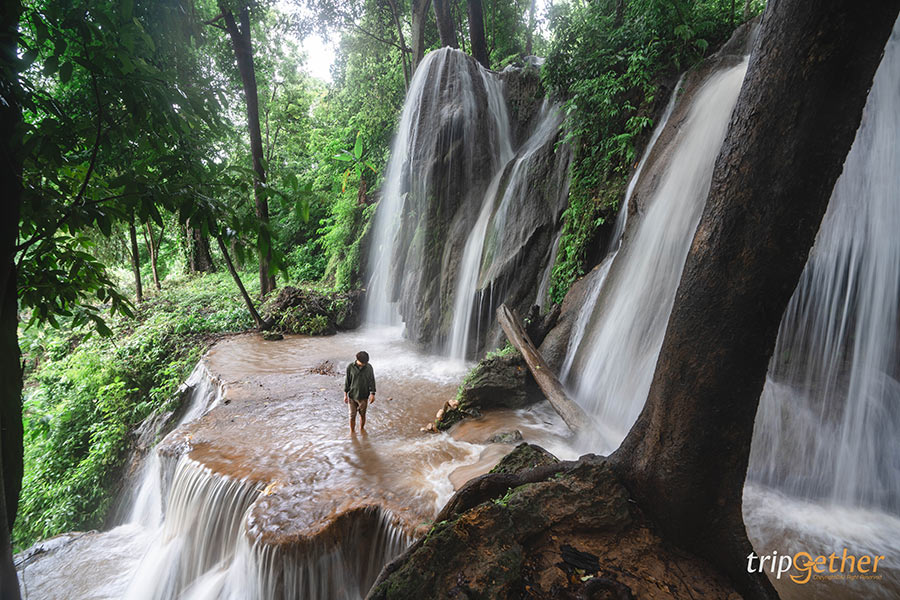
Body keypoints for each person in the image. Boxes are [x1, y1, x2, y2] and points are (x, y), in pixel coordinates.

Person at [344, 350, 376, 434]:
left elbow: (372, 380)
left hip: (364, 396)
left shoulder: (369, 367)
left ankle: (362, 430)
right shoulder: (350, 367)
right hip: (352, 396)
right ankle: (352, 432)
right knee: (352, 416)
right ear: (357, 360)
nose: (365, 364)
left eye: (366, 362)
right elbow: (347, 381)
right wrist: (345, 394)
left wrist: (372, 394)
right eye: (363, 363)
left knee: (362, 414)